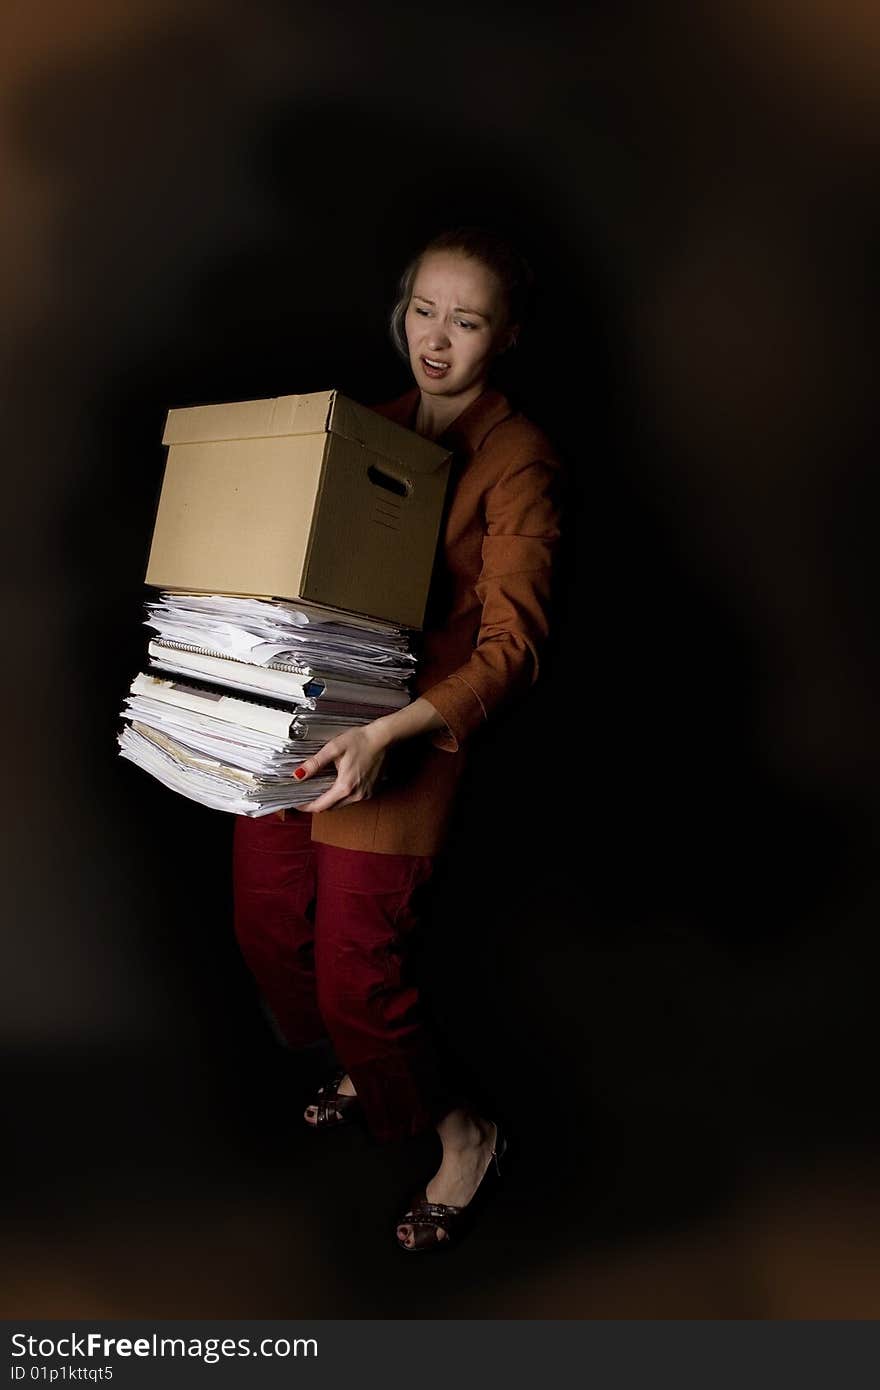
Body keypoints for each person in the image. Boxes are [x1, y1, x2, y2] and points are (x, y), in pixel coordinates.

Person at [232, 226, 564, 1252]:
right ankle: (362, 1065)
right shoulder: (366, 431)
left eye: (466, 322)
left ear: (503, 336)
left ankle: (463, 1134)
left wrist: (394, 731)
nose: (437, 338)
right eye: (424, 310)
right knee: (267, 918)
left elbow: (514, 649)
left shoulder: (517, 459)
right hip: (316, 709)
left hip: (410, 731)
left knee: (355, 975)